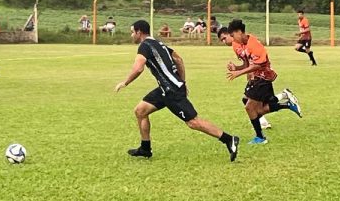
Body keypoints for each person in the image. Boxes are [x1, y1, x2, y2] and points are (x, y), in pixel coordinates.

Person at [114, 19, 239, 161]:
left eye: (132, 32)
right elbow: (178, 59)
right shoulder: (158, 43)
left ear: (139, 32)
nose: (132, 35)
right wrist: (182, 82)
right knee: (140, 111)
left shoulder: (144, 46)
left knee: (193, 122)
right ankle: (145, 148)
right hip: (166, 88)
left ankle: (229, 139)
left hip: (171, 91)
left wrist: (125, 82)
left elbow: (138, 68)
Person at [224, 19, 302, 145]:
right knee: (257, 109)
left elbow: (257, 65)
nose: (232, 39)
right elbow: (247, 63)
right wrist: (236, 68)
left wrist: (238, 73)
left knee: (249, 107)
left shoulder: (255, 44)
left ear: (239, 32)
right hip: (256, 78)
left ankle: (260, 137)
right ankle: (286, 103)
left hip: (263, 78)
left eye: (233, 36)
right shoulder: (238, 45)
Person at [218, 26, 286, 131]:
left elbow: (256, 61)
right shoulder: (235, 46)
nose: (224, 41)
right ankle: (283, 99)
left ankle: (263, 124)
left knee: (252, 103)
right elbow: (247, 63)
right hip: (255, 74)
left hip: (261, 75)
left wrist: (241, 72)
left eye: (224, 38)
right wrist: (236, 68)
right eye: (221, 40)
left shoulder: (245, 41)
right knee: (256, 102)